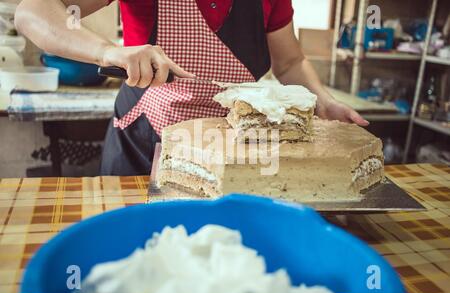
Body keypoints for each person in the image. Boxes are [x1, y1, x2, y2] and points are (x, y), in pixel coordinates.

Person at [15, 0, 369, 176]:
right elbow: (34, 11)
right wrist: (108, 51)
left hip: (231, 154)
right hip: (145, 147)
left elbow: (289, 62)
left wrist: (323, 100)